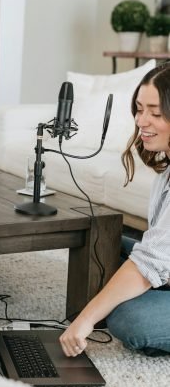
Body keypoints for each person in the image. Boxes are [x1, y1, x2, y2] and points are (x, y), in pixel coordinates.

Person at [60, 62, 170, 358]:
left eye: (156, 113)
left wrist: (86, 319)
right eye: (139, 108)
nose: (142, 121)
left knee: (129, 321)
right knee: (103, 241)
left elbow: (150, 263)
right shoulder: (167, 168)